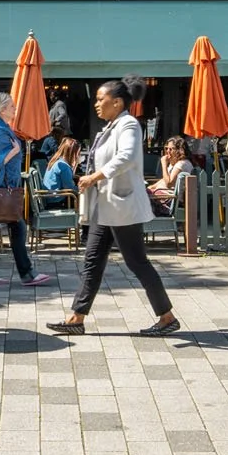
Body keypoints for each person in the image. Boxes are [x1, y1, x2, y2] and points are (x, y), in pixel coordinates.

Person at [49, 80, 177, 337]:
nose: (96, 104)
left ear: (117, 102)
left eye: (100, 99)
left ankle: (167, 317)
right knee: (92, 261)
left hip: (122, 206)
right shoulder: (111, 126)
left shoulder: (128, 124)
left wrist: (95, 176)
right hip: (106, 208)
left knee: (137, 262)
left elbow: (127, 157)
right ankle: (77, 316)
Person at [0, 96, 53, 290]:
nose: (15, 109)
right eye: (11, 106)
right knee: (15, 228)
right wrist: (14, 150)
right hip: (0, 190)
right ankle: (25, 273)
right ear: (1, 109)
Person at [148, 135, 196, 217]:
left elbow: (169, 183)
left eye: (171, 149)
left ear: (179, 150)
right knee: (143, 192)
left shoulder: (182, 164)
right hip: (168, 197)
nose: (168, 151)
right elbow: (164, 180)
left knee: (142, 196)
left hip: (172, 201)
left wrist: (163, 164)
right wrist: (151, 187)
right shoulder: (174, 163)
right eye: (166, 148)